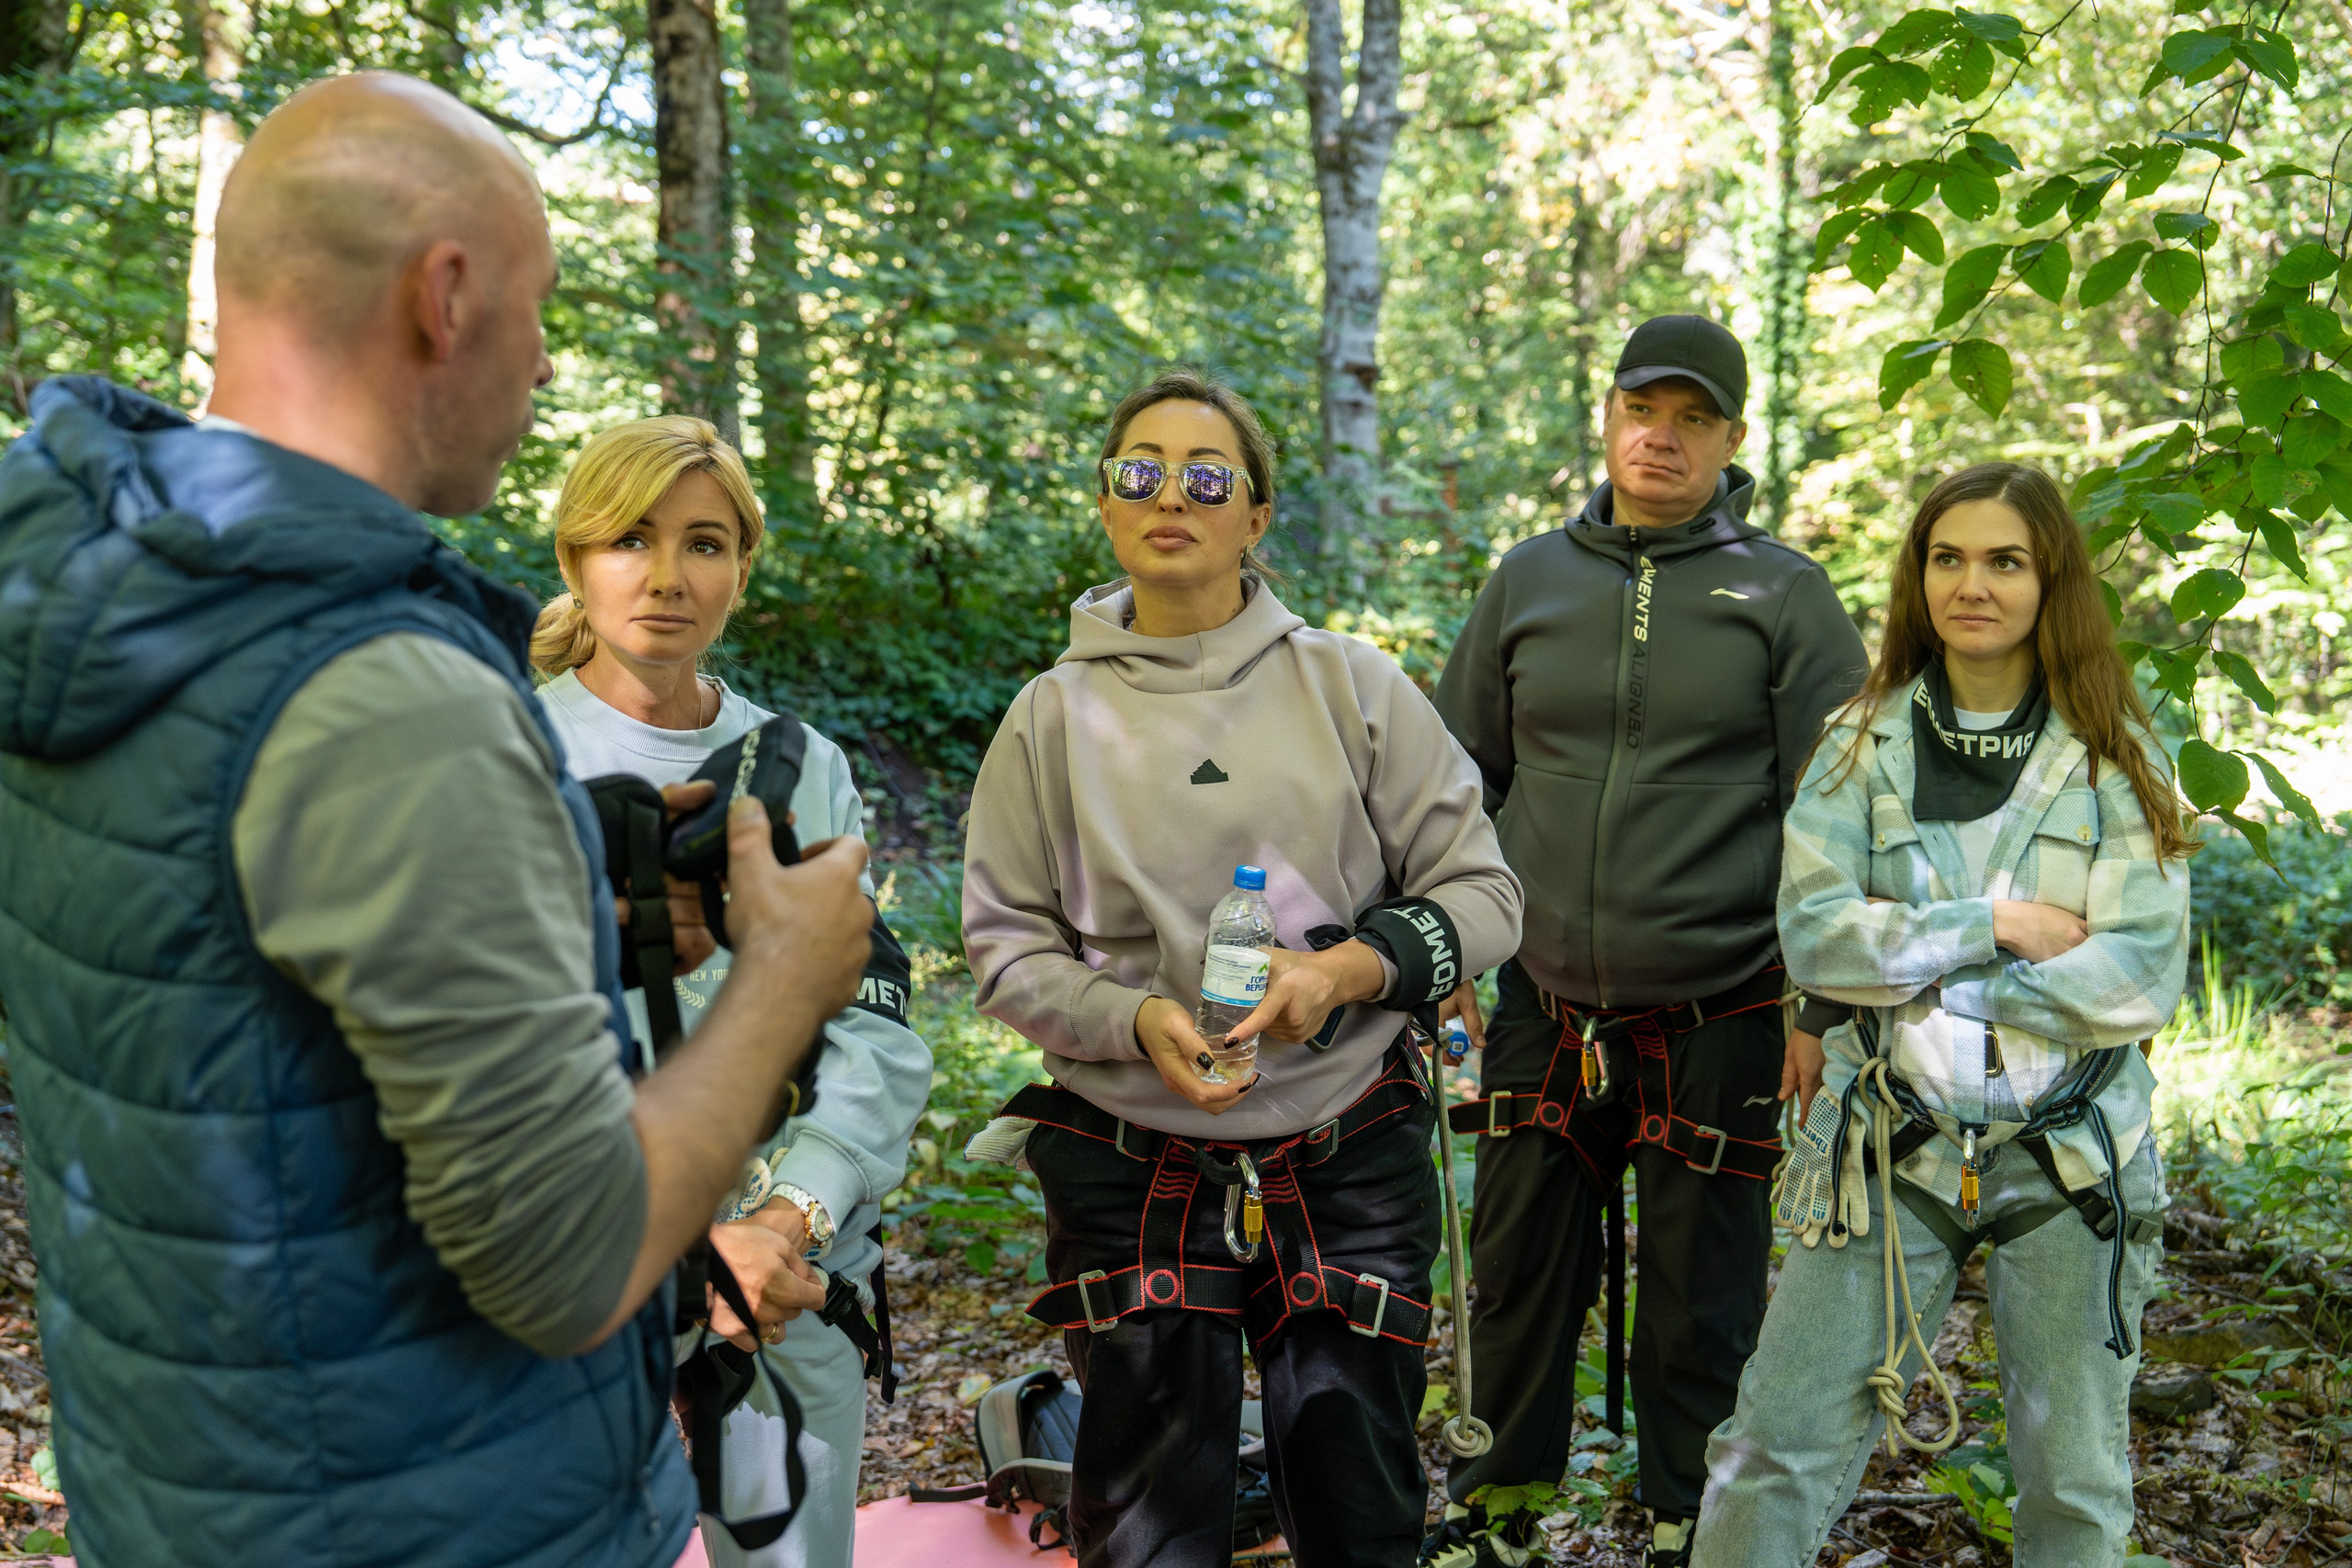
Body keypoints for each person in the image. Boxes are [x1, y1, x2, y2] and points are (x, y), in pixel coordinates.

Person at [0, 73, 874, 1568]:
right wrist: (786, 981)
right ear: (446, 294)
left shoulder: (79, 575)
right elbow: (569, 1256)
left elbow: (205, 963)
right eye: (539, 314)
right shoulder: (381, 693)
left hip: (193, 1480)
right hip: (429, 1515)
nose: (543, 369)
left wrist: (547, 904)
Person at [959, 367, 1523, 1568]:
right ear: (1106, 505)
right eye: (1141, 471)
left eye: (1208, 475)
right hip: (1128, 1158)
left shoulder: (1350, 685)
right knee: (1152, 1524)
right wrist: (1133, 1014)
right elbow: (1003, 946)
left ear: (1256, 515)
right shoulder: (1048, 719)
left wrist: (1347, 973)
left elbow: (1485, 897)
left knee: (1359, 1505)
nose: (1174, 494)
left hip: (1346, 1146)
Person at [1692, 462, 2193, 1568]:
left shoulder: (2116, 753)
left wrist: (1907, 966)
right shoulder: (1857, 743)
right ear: (1917, 575)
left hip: (2074, 1158)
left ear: (2048, 577)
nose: (1973, 584)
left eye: (2004, 560)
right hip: (1886, 1144)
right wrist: (1996, 925)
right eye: (1947, 557)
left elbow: (2136, 978)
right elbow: (1816, 936)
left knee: (2074, 1477)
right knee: (1771, 1447)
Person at [1429, 315, 1870, 1568]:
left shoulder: (1781, 591)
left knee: (1701, 1287)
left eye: (1691, 417)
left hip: (1724, 1000)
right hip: (1544, 998)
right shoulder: (1527, 578)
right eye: (1641, 408)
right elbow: (1459, 775)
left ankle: (1692, 1512)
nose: (1659, 435)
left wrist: (1817, 1001)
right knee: (1514, 1274)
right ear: (1607, 416)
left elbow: (1835, 807)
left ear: (1731, 438)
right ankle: (1499, 1509)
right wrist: (1446, 942)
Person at [532, 414, 932, 1566]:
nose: (666, 578)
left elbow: (867, 1021)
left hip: (773, 1290)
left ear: (743, 567)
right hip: (572, 1290)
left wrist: (777, 1222)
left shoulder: (800, 771)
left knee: (779, 1548)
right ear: (575, 560)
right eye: (628, 540)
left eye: (704, 544)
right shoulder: (503, 755)